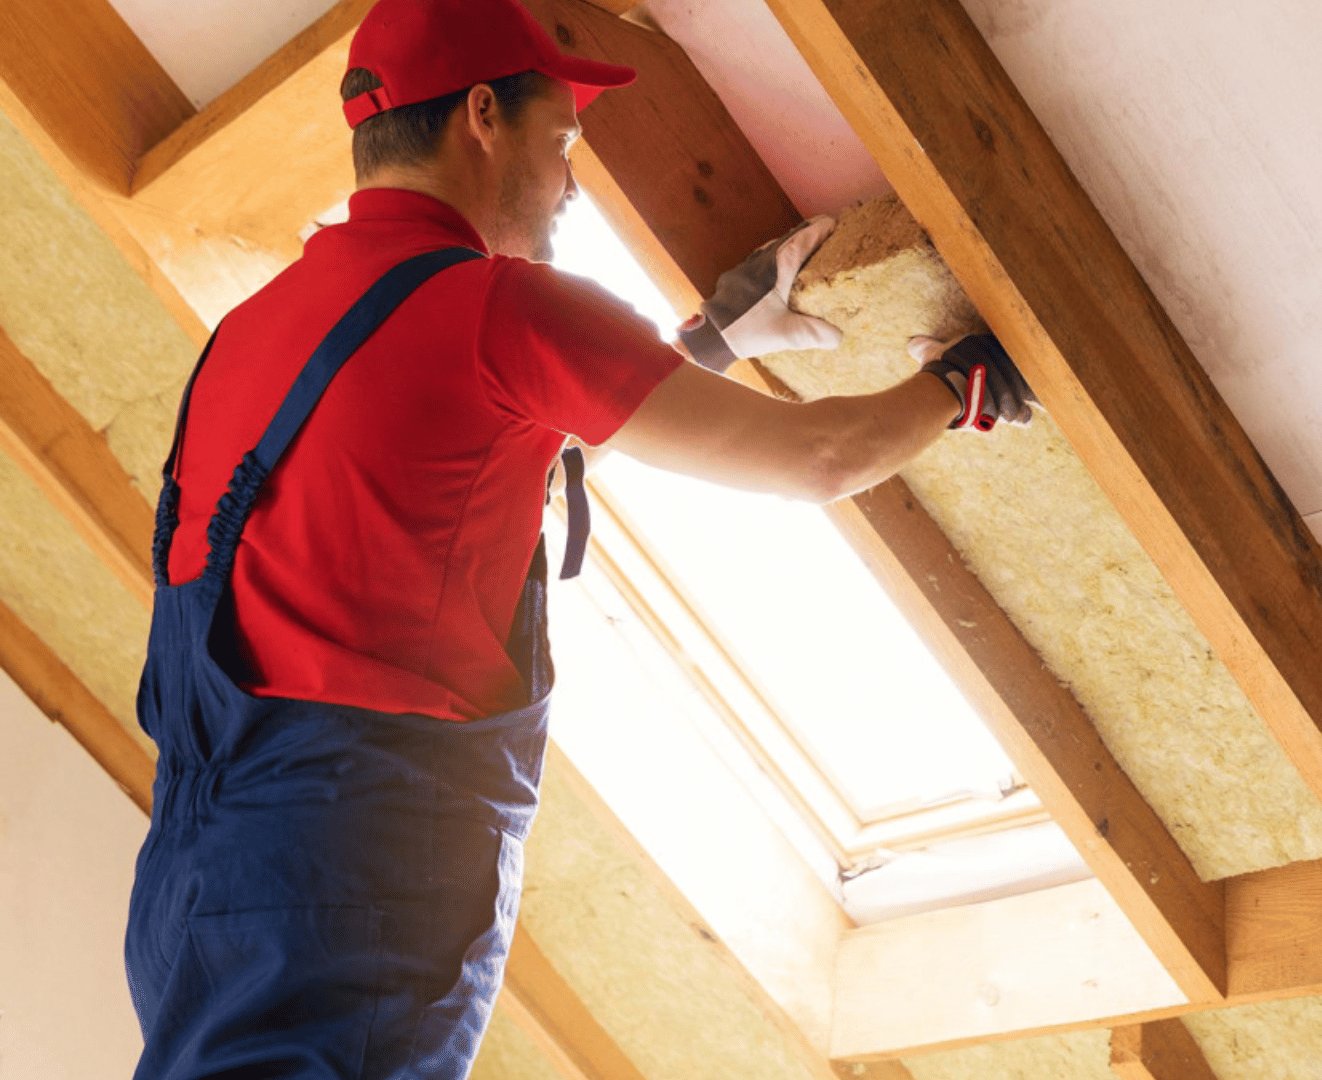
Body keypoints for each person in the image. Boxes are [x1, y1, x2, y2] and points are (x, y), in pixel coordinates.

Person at [121, 0, 1035, 1076]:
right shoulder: (501, 309)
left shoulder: (254, 327)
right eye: (561, 142)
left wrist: (711, 342)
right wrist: (960, 384)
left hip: (196, 886)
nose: (569, 184)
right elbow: (818, 459)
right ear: (481, 119)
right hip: (352, 875)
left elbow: (458, 470)